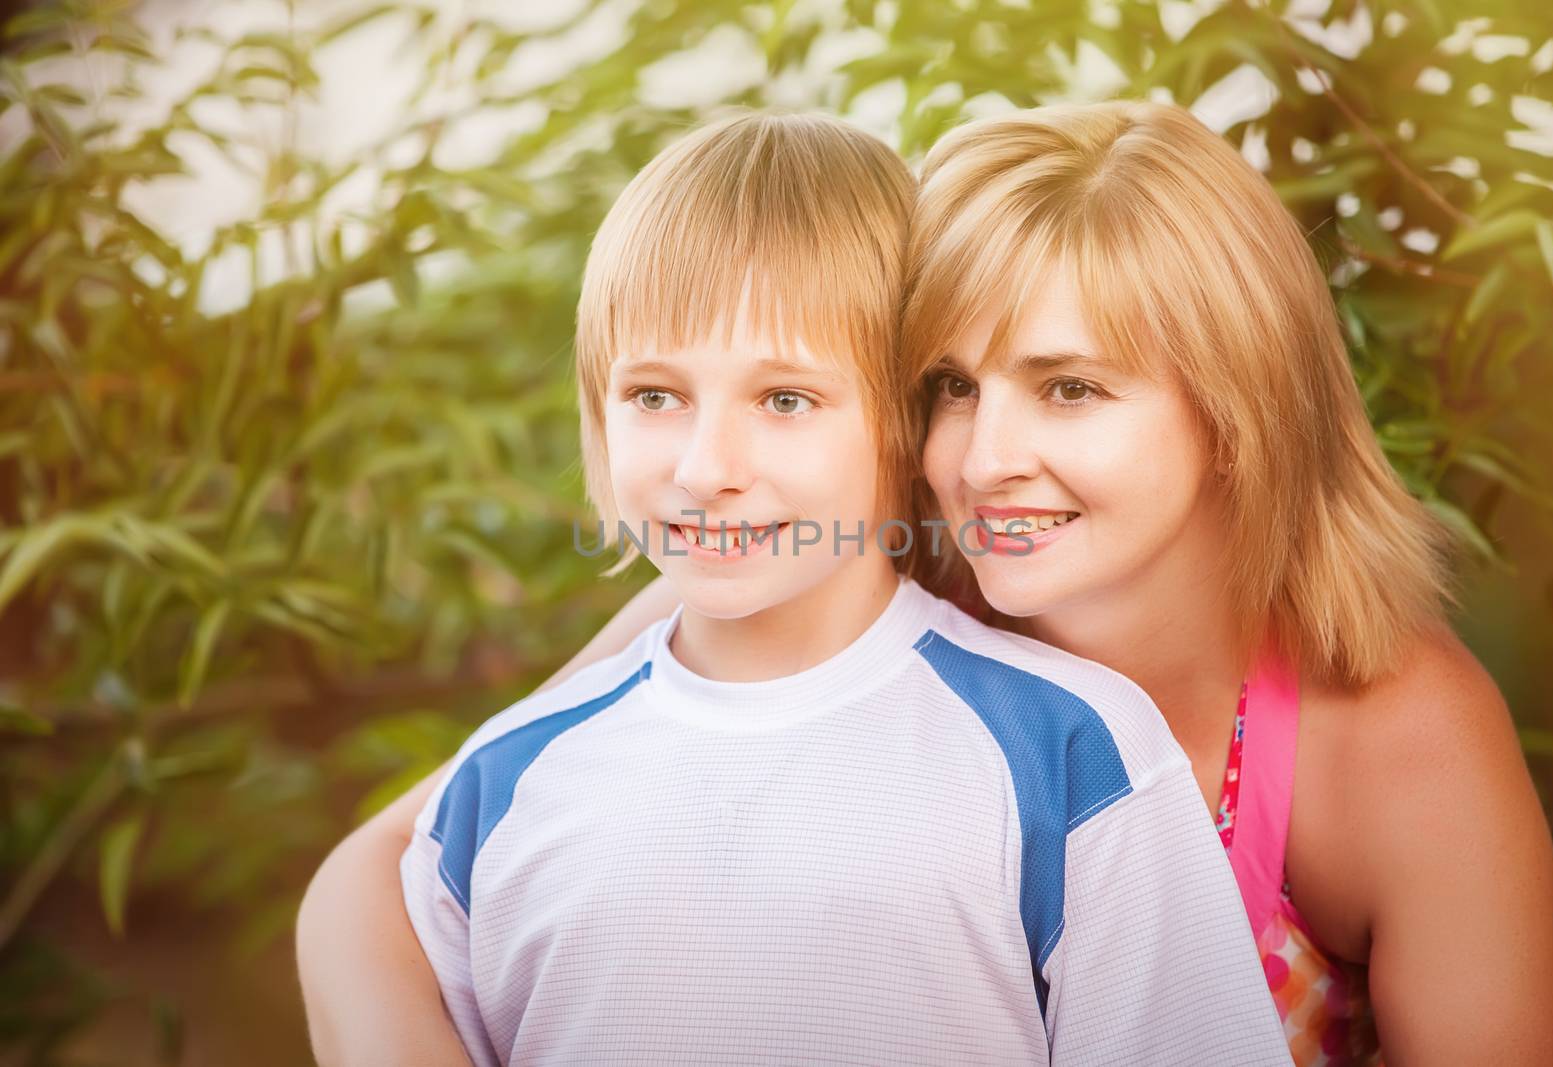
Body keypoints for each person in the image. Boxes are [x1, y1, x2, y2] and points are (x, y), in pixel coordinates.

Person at [298, 109, 1289, 1066]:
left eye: (784, 398)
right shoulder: (505, 781)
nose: (704, 466)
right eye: (654, 394)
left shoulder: (1073, 750)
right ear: (597, 422)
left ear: (904, 419)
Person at [901, 101, 1553, 1065]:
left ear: (1236, 408)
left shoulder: (1397, 736)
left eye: (1071, 387)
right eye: (954, 386)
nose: (982, 458)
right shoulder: (869, 628)